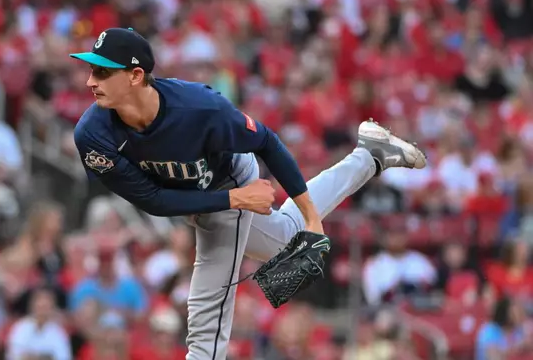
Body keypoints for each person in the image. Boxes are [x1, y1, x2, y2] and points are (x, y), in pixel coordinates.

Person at [70, 27, 427, 360]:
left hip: (230, 178)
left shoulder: (200, 108)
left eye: (102, 72)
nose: (90, 81)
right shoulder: (93, 134)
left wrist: (312, 220)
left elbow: (266, 142)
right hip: (212, 197)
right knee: (285, 236)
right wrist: (240, 202)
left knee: (205, 321)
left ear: (135, 76)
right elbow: (154, 201)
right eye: (91, 70)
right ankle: (371, 155)